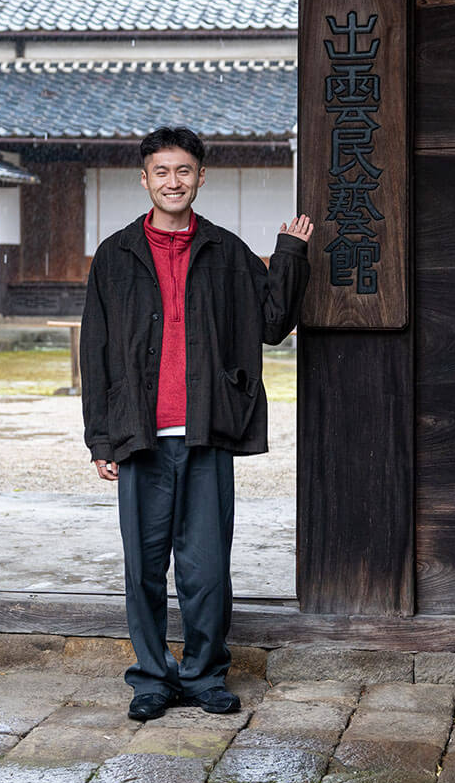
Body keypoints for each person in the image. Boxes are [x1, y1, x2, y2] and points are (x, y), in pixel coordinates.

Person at [80, 125, 312, 721]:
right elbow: (97, 352)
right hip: (140, 435)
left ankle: (206, 673)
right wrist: (100, 437)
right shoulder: (115, 255)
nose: (173, 182)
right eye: (162, 171)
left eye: (184, 171)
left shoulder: (225, 250)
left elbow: (270, 322)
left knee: (207, 568)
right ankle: (152, 677)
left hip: (206, 431)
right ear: (145, 178)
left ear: (201, 177)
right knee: (145, 568)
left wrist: (288, 254)